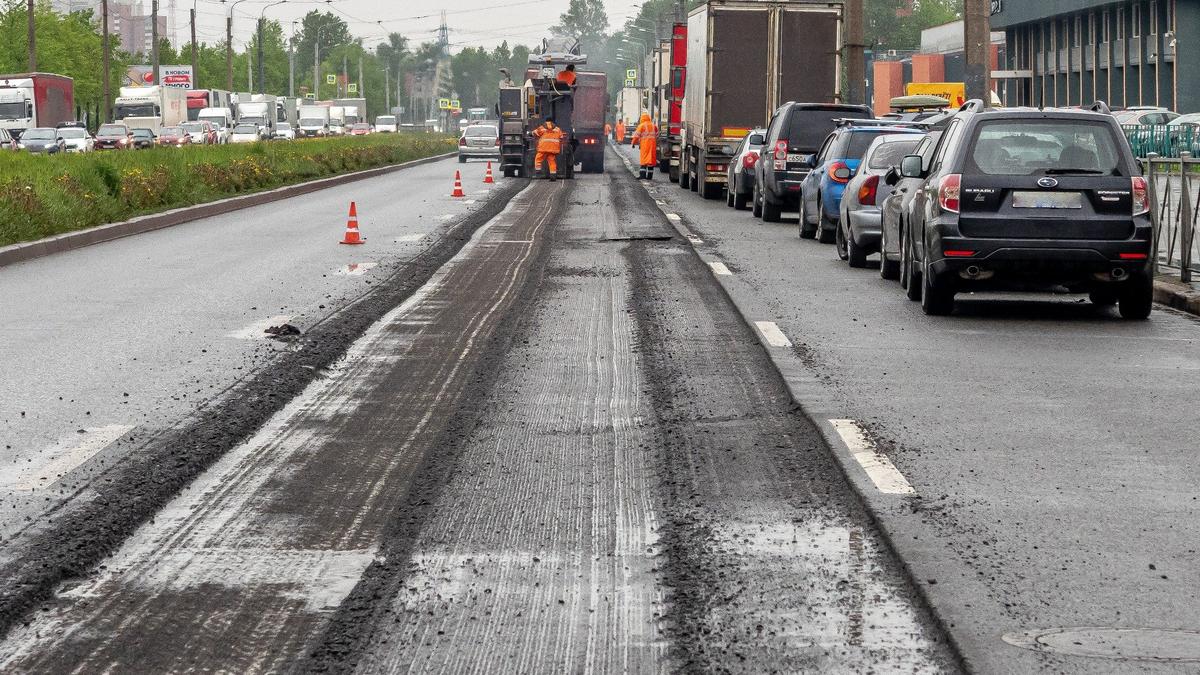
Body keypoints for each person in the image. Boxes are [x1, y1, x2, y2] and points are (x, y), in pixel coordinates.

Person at [631, 112, 658, 180]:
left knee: (644, 160)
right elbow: (657, 134)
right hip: (652, 145)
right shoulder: (653, 125)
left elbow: (636, 136)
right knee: (650, 160)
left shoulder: (641, 126)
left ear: (642, 119)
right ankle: (649, 176)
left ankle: (642, 176)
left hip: (645, 145)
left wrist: (633, 143)